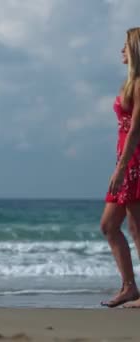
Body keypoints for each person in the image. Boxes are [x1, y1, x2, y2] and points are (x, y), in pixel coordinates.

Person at [101, 27, 140, 308]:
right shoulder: (130, 84)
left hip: (134, 161)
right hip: (125, 161)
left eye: (125, 45)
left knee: (137, 228)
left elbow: (136, 130)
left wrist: (122, 167)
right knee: (108, 225)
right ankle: (129, 287)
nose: (121, 50)